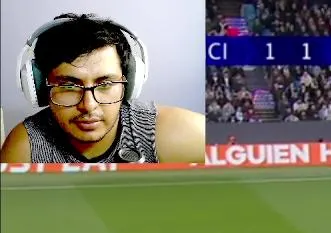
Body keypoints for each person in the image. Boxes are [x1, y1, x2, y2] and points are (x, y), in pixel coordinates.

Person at [1, 14, 204, 164]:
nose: (89, 106)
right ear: (40, 88)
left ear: (129, 84)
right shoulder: (25, 148)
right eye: (69, 86)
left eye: (105, 84)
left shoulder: (166, 133)